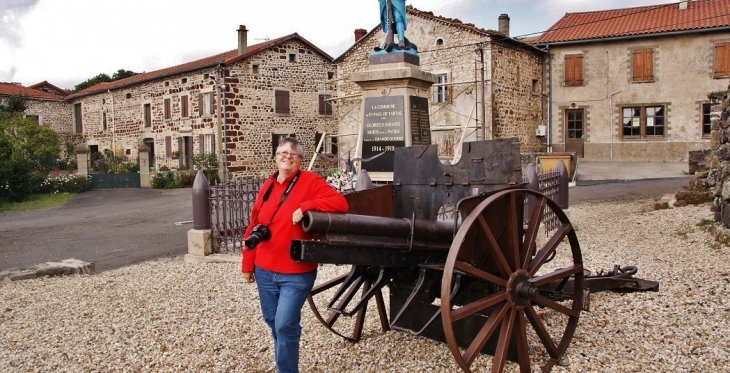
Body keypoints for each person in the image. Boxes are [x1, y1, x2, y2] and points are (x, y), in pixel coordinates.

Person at [241, 137, 348, 373]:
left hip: (296, 272)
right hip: (265, 270)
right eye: (283, 152)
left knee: (285, 324)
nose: (287, 157)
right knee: (273, 322)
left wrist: (307, 205)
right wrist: (247, 264)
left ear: (300, 159)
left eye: (293, 154)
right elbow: (254, 226)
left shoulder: (310, 181)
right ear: (276, 156)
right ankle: (285, 363)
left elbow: (340, 203)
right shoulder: (268, 185)